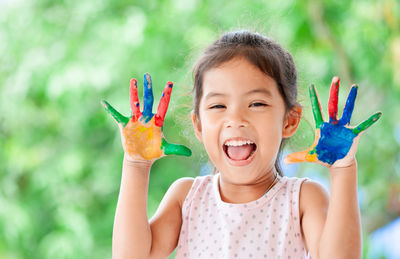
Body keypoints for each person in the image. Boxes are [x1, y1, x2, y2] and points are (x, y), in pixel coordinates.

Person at [102, 30, 381, 259]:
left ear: (289, 121)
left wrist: (344, 169)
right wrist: (136, 165)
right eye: (218, 105)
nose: (235, 119)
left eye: (256, 103)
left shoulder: (303, 198)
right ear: (198, 125)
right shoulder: (187, 196)